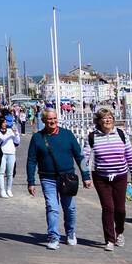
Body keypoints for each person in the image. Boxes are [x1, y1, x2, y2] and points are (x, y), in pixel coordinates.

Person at [26, 107, 89, 250]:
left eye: (54, 118)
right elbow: (31, 160)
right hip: (47, 178)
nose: (52, 121)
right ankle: (53, 237)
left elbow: (79, 156)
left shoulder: (67, 135)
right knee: (52, 207)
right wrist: (31, 181)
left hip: (67, 178)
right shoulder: (37, 138)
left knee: (70, 208)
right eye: (49, 119)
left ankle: (71, 233)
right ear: (43, 120)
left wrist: (86, 176)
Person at [86, 107, 132, 250]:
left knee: (120, 209)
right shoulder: (92, 136)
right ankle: (110, 239)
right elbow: (85, 157)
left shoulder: (121, 134)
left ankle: (120, 232)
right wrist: (86, 177)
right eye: (104, 118)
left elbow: (130, 157)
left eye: (110, 117)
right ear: (99, 121)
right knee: (108, 208)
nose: (108, 120)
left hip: (120, 176)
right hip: (101, 177)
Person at [0, 115, 21, 198]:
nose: (5, 123)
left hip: (11, 153)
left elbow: (17, 141)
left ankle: (9, 189)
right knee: (1, 172)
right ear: (0, 123)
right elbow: (1, 139)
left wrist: (16, 133)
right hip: (2, 153)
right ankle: (2, 190)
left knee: (10, 173)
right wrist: (9, 135)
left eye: (6, 122)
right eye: (4, 122)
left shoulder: (10, 130)